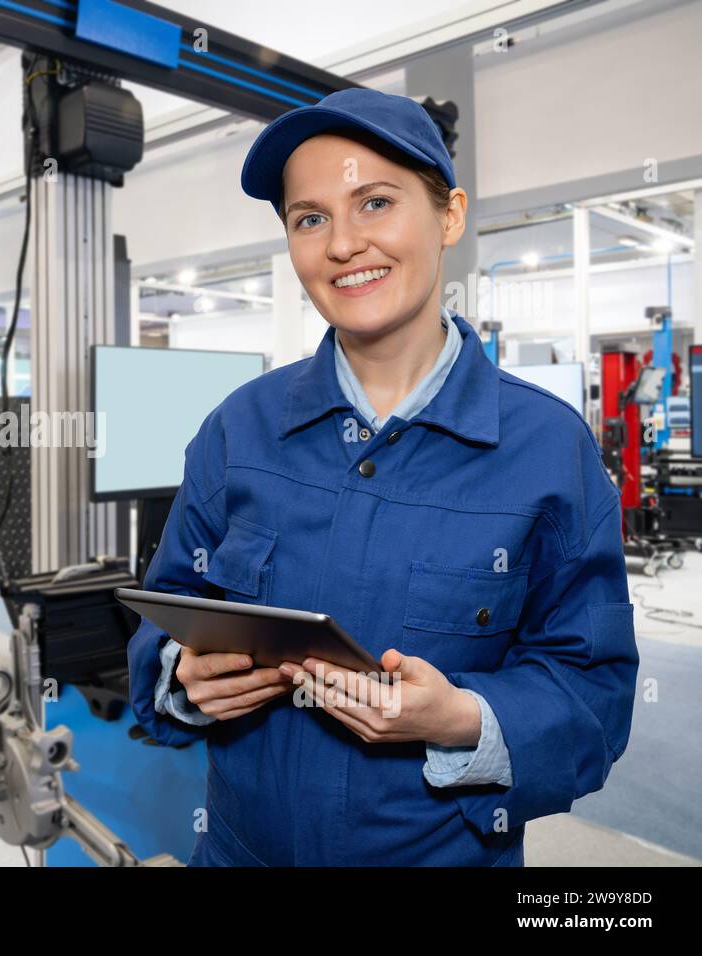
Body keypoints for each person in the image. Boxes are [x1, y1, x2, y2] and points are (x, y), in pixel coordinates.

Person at [126, 88, 639, 866]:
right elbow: (167, 618)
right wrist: (181, 676)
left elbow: (594, 695)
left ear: (450, 215)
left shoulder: (549, 452)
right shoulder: (238, 429)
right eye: (310, 218)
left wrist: (463, 717)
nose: (342, 244)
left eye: (374, 202)